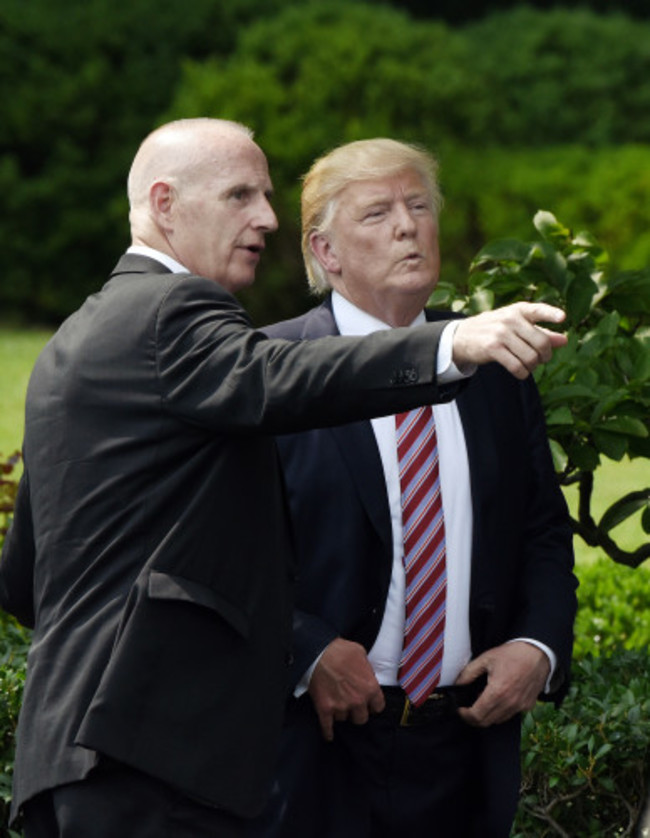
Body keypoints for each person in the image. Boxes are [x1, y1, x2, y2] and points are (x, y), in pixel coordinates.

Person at [0, 119, 567, 838]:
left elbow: (25, 580)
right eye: (241, 195)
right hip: (157, 757)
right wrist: (452, 342)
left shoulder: (73, 339)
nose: (267, 218)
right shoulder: (174, 309)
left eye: (265, 196)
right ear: (164, 203)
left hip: (88, 751)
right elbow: (273, 377)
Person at [256, 138, 578, 837]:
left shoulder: (492, 363)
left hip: (465, 741)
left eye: (420, 205)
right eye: (377, 212)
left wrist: (539, 647)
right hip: (319, 743)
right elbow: (218, 551)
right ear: (325, 253)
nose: (408, 225)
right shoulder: (270, 371)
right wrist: (306, 649)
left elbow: (542, 530)